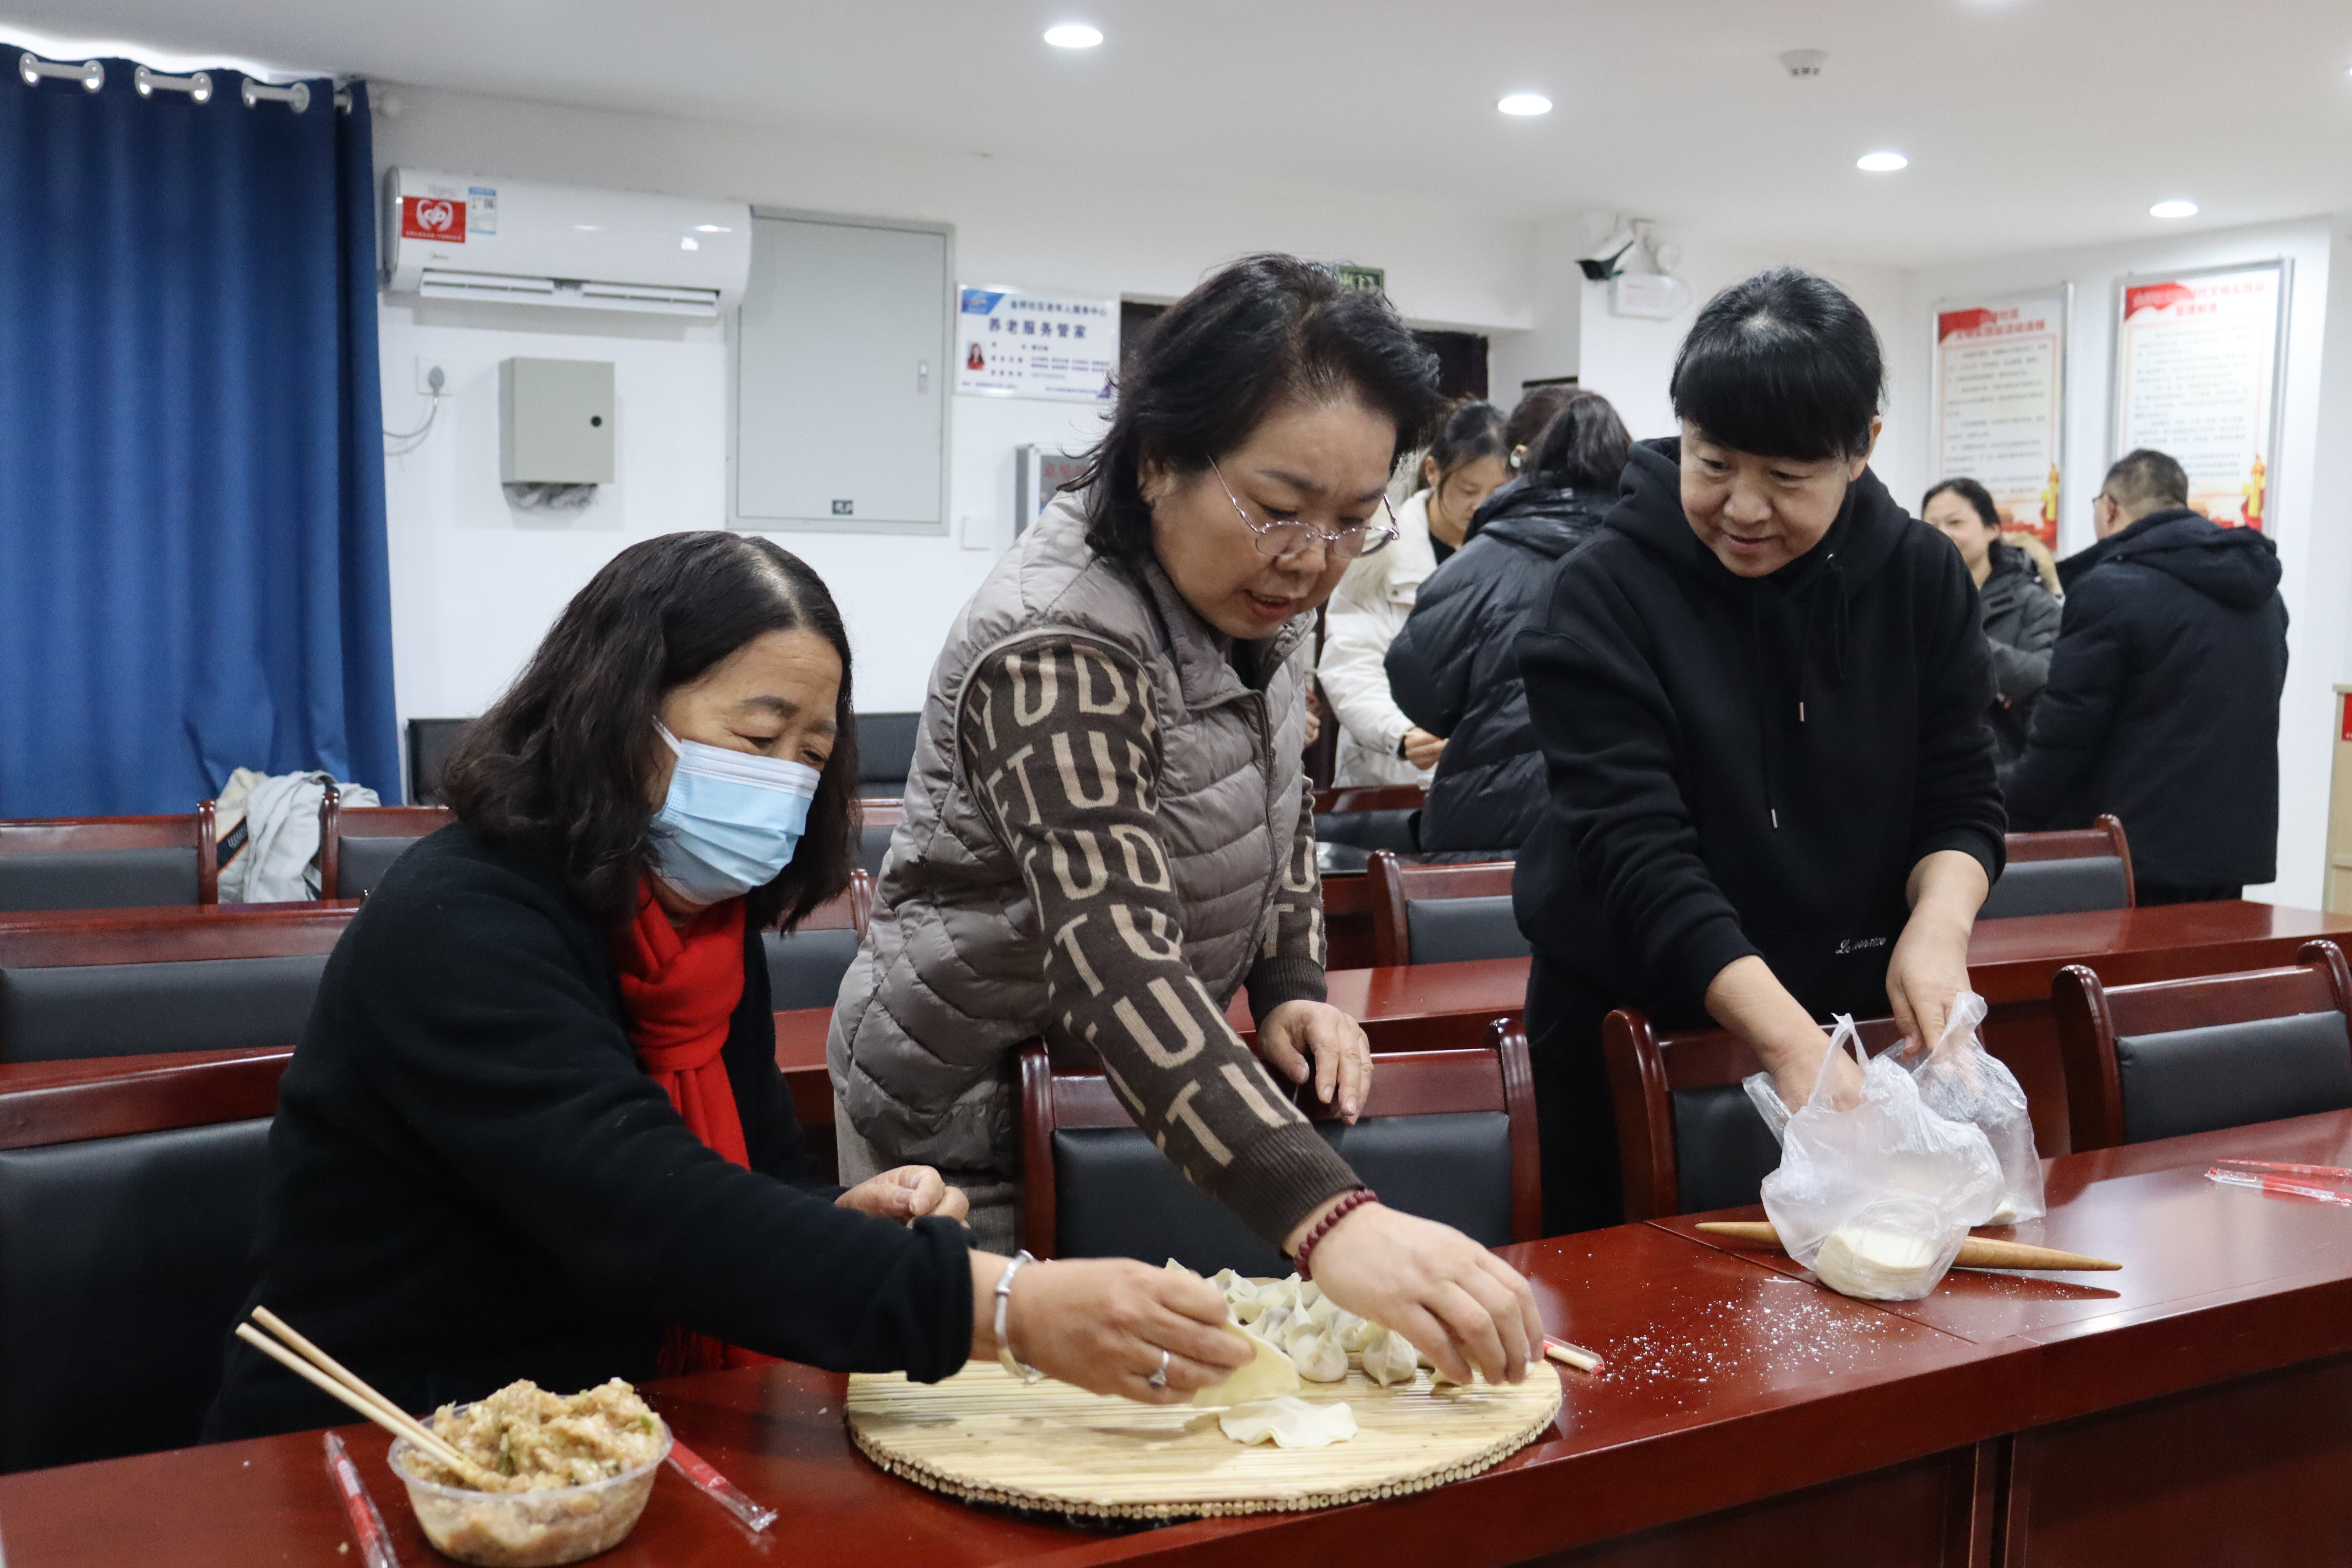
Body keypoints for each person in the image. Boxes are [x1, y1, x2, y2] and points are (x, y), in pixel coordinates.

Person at [207, 532, 1260, 1440]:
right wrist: (1008, 1305)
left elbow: (751, 1180)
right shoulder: (461, 922)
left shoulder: (704, 930)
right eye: (758, 739)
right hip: (404, 1441)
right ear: (618, 714)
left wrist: (842, 1217)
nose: (788, 782)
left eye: (812, 753)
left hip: (628, 1423)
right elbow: (648, 1212)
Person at [830, 256, 1543, 1383]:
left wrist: (1294, 985)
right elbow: (1113, 958)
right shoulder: (1060, 643)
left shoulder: (1262, 591)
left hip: (1127, 1084)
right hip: (968, 1099)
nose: (1310, 560)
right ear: (1160, 457)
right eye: (1276, 508)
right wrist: (1331, 1219)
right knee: (1012, 1444)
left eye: (1354, 521)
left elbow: (1276, 801)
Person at [1512, 268, 2006, 1233]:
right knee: (1651, 1332)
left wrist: (1939, 931)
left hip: (1843, 1030)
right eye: (1713, 462)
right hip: (1637, 1027)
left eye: (1785, 478)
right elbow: (1637, 854)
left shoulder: (1918, 577)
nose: (1742, 508)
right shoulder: (1602, 591)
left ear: (1860, 449)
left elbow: (1960, 792)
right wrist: (1791, 1052)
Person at [2004, 449, 2288, 904]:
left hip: (2128, 853)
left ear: (2110, 507)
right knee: (2204, 975)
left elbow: (2068, 732)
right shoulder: (2263, 595)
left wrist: (2005, 812)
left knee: (2113, 976)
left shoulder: (2110, 589)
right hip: (2229, 850)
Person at [1387, 390, 1632, 853]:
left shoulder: (1475, 567)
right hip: (1632, 838)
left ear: (1517, 461)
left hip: (1489, 834)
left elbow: (1419, 693)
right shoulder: (1662, 558)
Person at [1317, 399, 1509, 788]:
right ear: (1434, 472)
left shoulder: (1508, 556)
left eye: (1498, 492)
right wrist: (1400, 734)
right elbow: (1352, 665)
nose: (1481, 506)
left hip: (1483, 786)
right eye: (1469, 489)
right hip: (1389, 780)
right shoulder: (1379, 552)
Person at [1922, 477, 2062, 760]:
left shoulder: (2033, 603)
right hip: (1928, 768)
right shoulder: (1914, 601)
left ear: (1992, 530)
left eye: (1955, 523)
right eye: (1931, 525)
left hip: (2003, 771)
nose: (1941, 534)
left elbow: (2049, 677)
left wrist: (1957, 639)